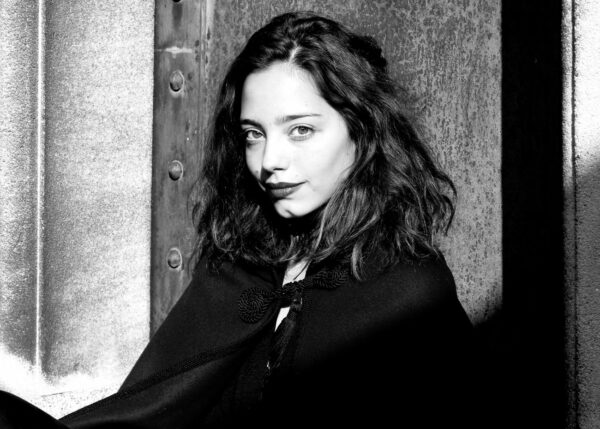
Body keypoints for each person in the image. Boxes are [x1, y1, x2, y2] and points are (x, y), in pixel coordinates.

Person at [0, 11, 485, 428]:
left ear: (361, 132)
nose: (269, 160)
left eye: (300, 130)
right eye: (254, 134)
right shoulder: (241, 267)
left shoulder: (408, 292)